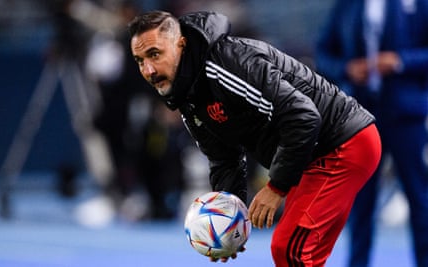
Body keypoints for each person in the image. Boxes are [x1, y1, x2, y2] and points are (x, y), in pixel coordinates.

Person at [127, 10, 381, 265]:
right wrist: (230, 226)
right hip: (314, 155)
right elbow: (224, 159)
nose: (148, 70)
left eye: (155, 54)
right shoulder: (188, 94)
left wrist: (276, 187)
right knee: (299, 253)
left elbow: (303, 116)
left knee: (290, 250)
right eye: (139, 61)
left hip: (343, 145)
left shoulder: (224, 64)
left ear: (180, 44)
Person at [315, 0, 428, 266]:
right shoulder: (347, 5)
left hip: (406, 116)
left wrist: (401, 62)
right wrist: (347, 69)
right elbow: (323, 52)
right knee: (359, 201)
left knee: (419, 197)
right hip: (360, 117)